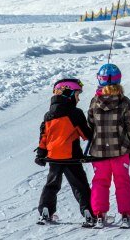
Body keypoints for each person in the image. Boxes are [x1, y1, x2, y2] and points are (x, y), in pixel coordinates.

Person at [35, 78, 95, 228]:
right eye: (77, 94)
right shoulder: (75, 113)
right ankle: (88, 211)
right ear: (68, 93)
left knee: (52, 184)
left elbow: (44, 136)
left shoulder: (48, 115)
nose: (78, 98)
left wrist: (40, 154)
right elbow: (86, 134)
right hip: (71, 157)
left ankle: (46, 210)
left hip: (54, 157)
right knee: (79, 185)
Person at [87, 64, 130, 229]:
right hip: (120, 150)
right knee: (122, 182)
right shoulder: (124, 102)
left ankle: (99, 215)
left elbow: (90, 124)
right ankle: (126, 215)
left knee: (100, 182)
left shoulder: (95, 101)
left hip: (99, 152)